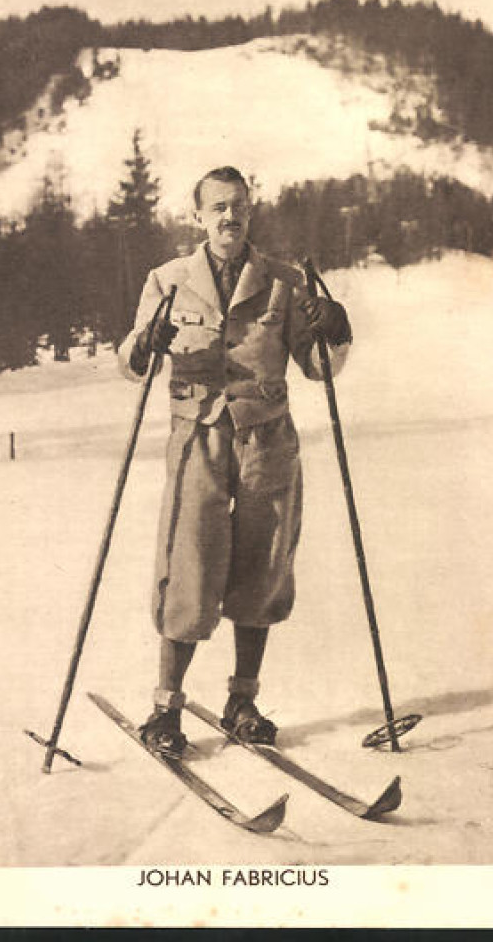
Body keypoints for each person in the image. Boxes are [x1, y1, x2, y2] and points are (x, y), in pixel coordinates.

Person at [118, 166, 352, 758]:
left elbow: (319, 366)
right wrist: (144, 344)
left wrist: (338, 330)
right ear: (197, 216)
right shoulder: (169, 279)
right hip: (197, 437)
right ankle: (165, 708)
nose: (230, 217)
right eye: (218, 207)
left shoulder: (282, 282)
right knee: (188, 561)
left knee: (264, 566)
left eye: (239, 207)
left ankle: (241, 701)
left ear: (251, 212)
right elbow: (132, 360)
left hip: (266, 441)